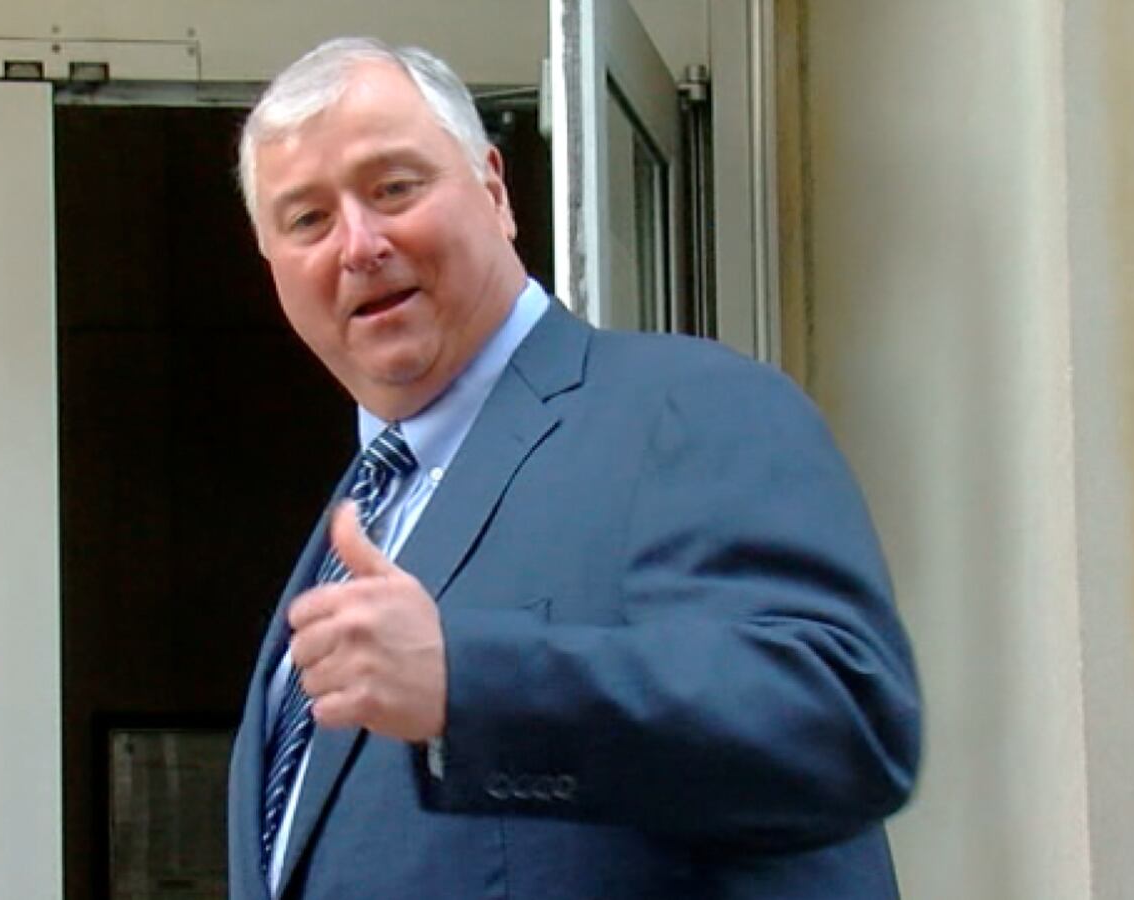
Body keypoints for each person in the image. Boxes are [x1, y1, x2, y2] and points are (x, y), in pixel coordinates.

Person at [228, 36, 921, 900]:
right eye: (308, 220)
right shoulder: (356, 524)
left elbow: (843, 730)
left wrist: (471, 684)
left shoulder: (683, 407)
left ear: (493, 190)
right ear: (274, 268)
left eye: (393, 188)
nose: (359, 243)